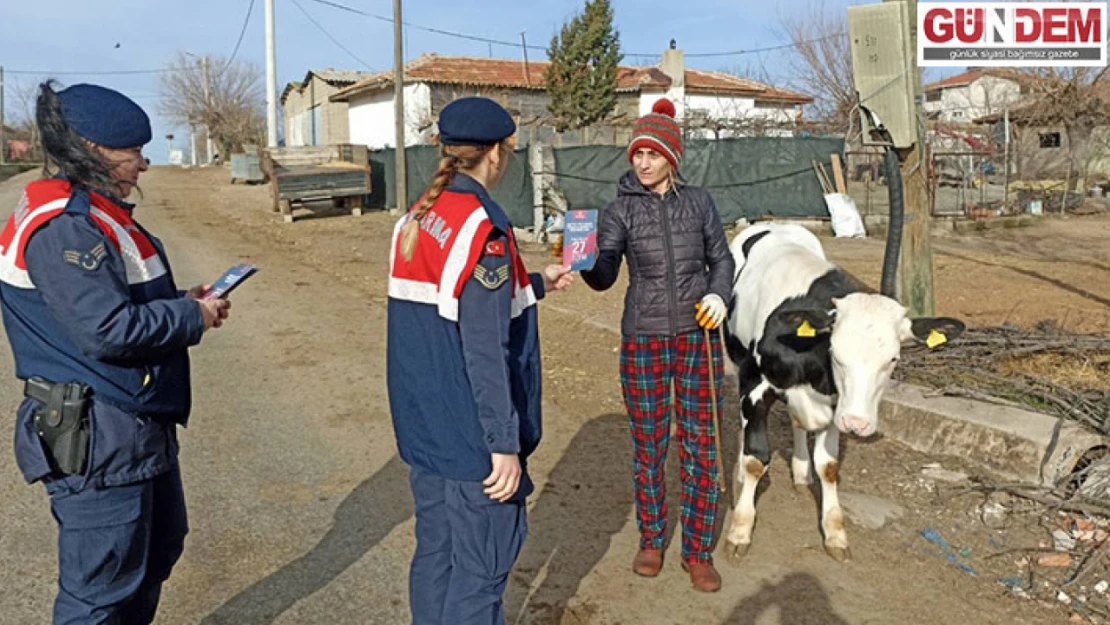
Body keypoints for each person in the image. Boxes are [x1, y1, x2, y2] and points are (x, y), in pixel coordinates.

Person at [0, 82, 231, 623]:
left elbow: (113, 298)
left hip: (133, 424)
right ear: (92, 150)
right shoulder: (66, 226)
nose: (143, 165)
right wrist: (191, 317)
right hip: (100, 435)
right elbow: (105, 328)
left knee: (155, 553)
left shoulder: (96, 213)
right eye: (132, 153)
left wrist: (180, 300)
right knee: (99, 592)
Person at [386, 97, 573, 624]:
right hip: (470, 438)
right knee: (480, 574)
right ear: (497, 153)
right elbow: (485, 347)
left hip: (424, 427)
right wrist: (503, 444)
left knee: (436, 555)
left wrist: (536, 284)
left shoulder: (419, 215)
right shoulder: (482, 229)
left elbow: (455, 308)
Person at [580, 98, 735, 592]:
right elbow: (605, 276)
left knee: (702, 445)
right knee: (649, 445)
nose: (642, 163)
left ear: (672, 156)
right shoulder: (618, 210)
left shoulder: (700, 203)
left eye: (652, 154)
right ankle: (652, 538)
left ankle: (697, 550)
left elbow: (722, 260)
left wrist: (717, 295)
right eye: (636, 155)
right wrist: (583, 261)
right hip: (643, 340)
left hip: (698, 335)